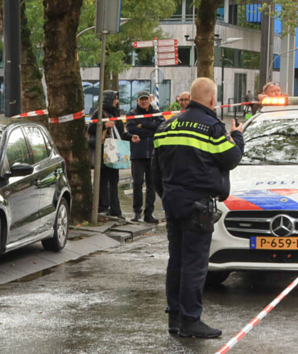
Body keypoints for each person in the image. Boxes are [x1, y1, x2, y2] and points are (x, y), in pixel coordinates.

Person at [152, 77, 244, 339]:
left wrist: (167, 195)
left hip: (173, 201)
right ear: (213, 100)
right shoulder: (212, 127)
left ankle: (175, 318)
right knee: (194, 263)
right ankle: (191, 320)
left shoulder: (166, 126)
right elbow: (232, 158)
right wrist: (237, 135)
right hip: (198, 204)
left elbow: (155, 169)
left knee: (177, 261)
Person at [88, 90, 137, 220]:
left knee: (114, 181)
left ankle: (115, 209)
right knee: (103, 181)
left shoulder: (115, 114)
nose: (117, 101)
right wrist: (104, 125)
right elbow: (90, 128)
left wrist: (130, 137)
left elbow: (120, 133)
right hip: (104, 152)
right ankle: (103, 208)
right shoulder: (98, 113)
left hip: (114, 153)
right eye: (115, 99)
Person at [126, 90, 161, 224]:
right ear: (137, 101)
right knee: (137, 183)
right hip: (138, 154)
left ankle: (149, 213)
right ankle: (136, 212)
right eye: (142, 99)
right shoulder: (132, 114)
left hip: (153, 154)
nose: (144, 101)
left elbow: (160, 127)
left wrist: (143, 125)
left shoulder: (156, 112)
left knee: (152, 185)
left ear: (149, 100)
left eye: (146, 99)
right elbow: (132, 130)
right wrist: (150, 130)